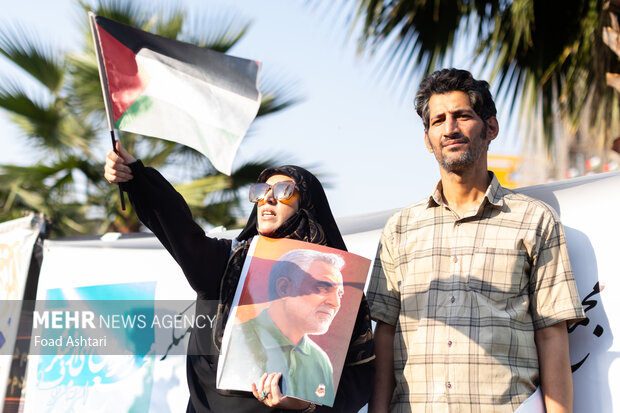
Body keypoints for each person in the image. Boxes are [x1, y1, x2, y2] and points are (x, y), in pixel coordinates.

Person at [367, 68, 585, 413]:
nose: (449, 129)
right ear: (427, 139)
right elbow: (386, 334)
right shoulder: (400, 228)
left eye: (462, 116)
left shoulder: (534, 220)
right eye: (438, 121)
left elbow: (551, 335)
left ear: (491, 128)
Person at [104, 143, 374, 413]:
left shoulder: (341, 297)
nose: (268, 198)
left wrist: (304, 405)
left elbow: (358, 379)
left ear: (307, 203)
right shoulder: (228, 264)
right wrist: (137, 178)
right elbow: (179, 229)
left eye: (283, 191)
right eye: (261, 191)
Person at [220, 249, 346, 406]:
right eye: (323, 288)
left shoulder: (320, 360)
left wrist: (303, 407)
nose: (336, 303)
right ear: (284, 288)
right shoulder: (236, 338)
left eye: (339, 294)